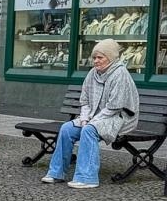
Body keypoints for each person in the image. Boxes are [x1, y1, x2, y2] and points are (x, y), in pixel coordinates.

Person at [45, 39, 139, 189]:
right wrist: (84, 118)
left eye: (100, 57)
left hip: (120, 118)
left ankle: (87, 178)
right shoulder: (92, 73)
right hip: (96, 118)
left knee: (89, 130)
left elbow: (114, 107)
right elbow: (85, 100)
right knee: (67, 129)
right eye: (94, 57)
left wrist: (91, 122)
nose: (96, 61)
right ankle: (56, 173)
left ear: (110, 57)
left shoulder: (120, 74)